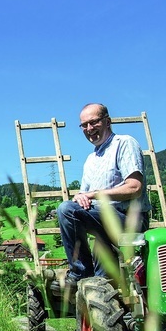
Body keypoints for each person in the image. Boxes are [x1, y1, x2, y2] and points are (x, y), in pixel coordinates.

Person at [56, 103, 152, 299]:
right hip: (102, 222)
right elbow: (83, 196)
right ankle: (92, 288)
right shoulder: (90, 160)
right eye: (84, 125)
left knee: (66, 209)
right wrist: (81, 196)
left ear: (107, 121)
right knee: (101, 286)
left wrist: (94, 195)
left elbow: (134, 187)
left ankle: (79, 273)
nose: (89, 128)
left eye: (94, 122)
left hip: (128, 219)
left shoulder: (124, 143)